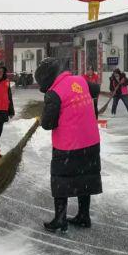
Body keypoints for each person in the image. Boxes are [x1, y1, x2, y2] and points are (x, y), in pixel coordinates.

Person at [35, 57, 102, 233]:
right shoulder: (80, 80)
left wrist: (43, 117)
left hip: (68, 145)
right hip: (91, 141)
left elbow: (48, 124)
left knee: (60, 181)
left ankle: (60, 219)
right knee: (85, 178)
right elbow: (96, 89)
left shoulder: (54, 92)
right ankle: (83, 216)